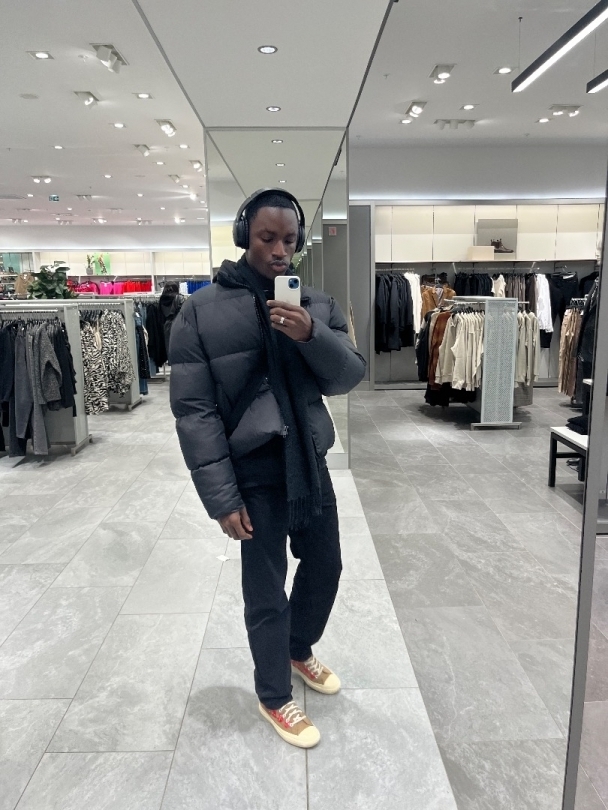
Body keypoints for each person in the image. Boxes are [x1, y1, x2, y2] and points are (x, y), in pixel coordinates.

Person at [169, 188, 365, 748]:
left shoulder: (316, 305)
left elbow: (348, 376)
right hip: (253, 471)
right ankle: (274, 695)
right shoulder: (201, 312)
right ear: (244, 237)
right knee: (266, 589)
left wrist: (310, 334)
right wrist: (221, 497)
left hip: (308, 463)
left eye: (289, 240)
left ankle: (297, 648)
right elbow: (195, 411)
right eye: (267, 238)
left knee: (326, 566)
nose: (280, 251)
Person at [158, 281, 185, 357]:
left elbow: (160, 315)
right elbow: (183, 313)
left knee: (169, 348)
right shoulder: (179, 298)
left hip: (166, 325)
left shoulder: (161, 299)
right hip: (178, 325)